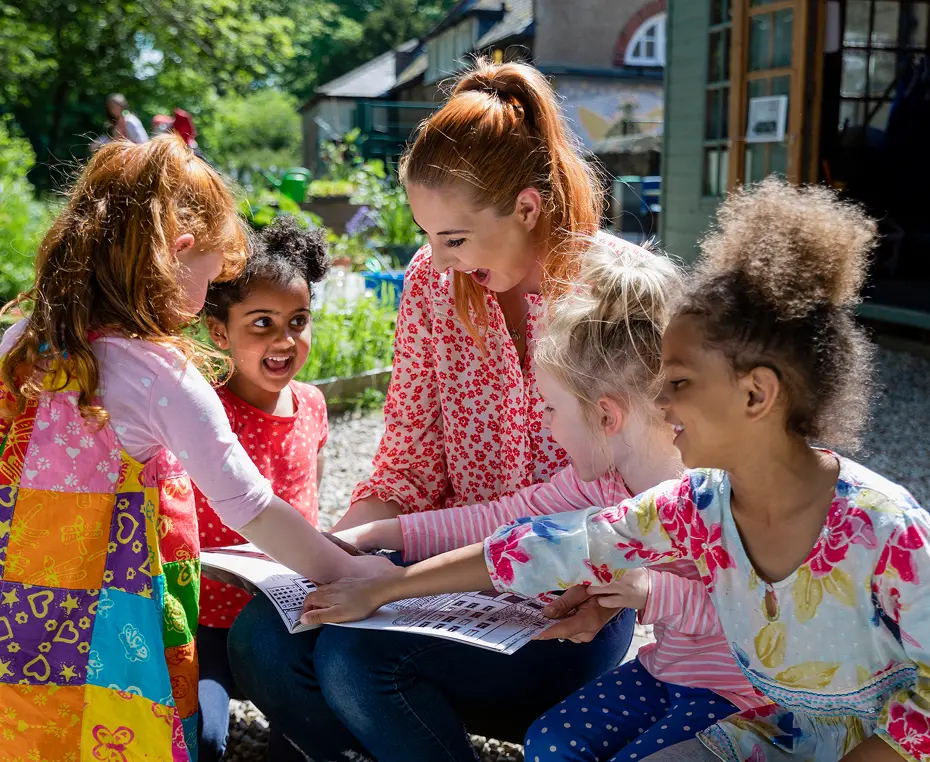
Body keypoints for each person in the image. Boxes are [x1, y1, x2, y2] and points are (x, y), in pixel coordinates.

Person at [303, 179, 930, 762]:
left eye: (679, 383)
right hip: (767, 729)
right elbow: (544, 547)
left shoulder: (886, 528)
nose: (660, 404)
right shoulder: (697, 503)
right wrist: (382, 583)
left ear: (756, 396)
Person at [228, 58, 644, 761]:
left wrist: (618, 588)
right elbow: (407, 462)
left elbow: (650, 497)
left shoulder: (616, 295)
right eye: (426, 236)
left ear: (527, 207)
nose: (437, 260)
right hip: (441, 566)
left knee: (356, 662)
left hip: (569, 601)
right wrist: (331, 554)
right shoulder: (432, 284)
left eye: (453, 238)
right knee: (263, 637)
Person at [0, 134, 388, 761]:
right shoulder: (159, 375)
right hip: (115, 613)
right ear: (179, 254)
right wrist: (354, 572)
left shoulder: (22, 341)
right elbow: (252, 506)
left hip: (20, 597)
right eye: (212, 275)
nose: (209, 292)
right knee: (125, 730)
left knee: (31, 728)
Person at [337, 243, 770, 761]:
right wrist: (377, 534)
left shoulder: (714, 492)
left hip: (743, 698)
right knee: (550, 742)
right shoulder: (602, 483)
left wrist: (649, 591)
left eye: (549, 407)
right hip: (665, 670)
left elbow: (756, 619)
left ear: (606, 417)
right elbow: (502, 520)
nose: (542, 423)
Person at [194, 216, 330, 760]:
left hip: (284, 617)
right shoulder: (201, 408)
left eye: (298, 320)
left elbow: (312, 507)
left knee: (304, 744)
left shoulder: (313, 404)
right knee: (202, 739)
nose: (284, 339)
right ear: (219, 331)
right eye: (262, 323)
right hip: (202, 618)